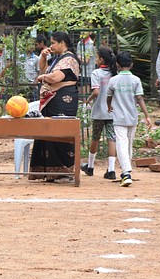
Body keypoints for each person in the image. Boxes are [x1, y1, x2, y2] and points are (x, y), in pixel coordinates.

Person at [29, 31, 80, 183]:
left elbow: (55, 77)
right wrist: (43, 57)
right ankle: (50, 172)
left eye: (53, 43)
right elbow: (43, 69)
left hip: (63, 101)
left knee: (60, 134)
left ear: (62, 43)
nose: (50, 46)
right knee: (47, 134)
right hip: (52, 101)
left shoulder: (69, 59)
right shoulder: (57, 58)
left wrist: (43, 78)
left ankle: (64, 172)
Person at [106, 52, 153, 187]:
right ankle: (126, 171)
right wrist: (147, 115)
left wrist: (109, 106)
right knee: (128, 144)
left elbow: (108, 96)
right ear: (131, 64)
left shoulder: (113, 80)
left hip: (119, 117)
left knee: (121, 144)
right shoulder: (136, 80)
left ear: (117, 65)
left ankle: (126, 173)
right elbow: (140, 98)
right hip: (132, 117)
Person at [80, 46, 118, 180]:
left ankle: (90, 167)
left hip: (99, 111)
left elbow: (96, 92)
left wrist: (88, 100)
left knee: (95, 138)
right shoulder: (115, 73)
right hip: (112, 111)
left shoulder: (96, 73)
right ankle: (111, 169)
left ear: (101, 59)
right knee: (112, 139)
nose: (95, 59)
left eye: (96, 57)